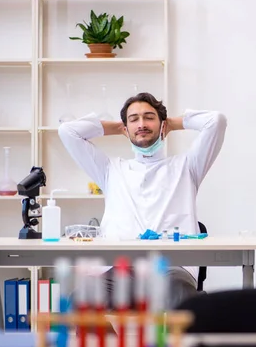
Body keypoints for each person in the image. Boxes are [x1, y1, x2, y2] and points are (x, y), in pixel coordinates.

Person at [58, 92, 227, 309]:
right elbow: (68, 131)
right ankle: (119, 345)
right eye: (134, 119)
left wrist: (173, 124)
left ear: (162, 125)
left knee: (184, 300)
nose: (142, 124)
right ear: (125, 128)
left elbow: (217, 121)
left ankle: (170, 345)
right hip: (120, 268)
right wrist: (119, 127)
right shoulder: (110, 170)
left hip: (171, 267)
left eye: (149, 117)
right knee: (77, 303)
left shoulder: (188, 166)